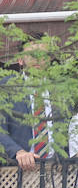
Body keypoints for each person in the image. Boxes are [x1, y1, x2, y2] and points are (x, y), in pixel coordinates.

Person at [0, 41, 54, 170]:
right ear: (20, 60)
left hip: (57, 170)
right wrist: (18, 152)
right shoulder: (6, 87)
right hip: (17, 169)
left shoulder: (62, 90)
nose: (37, 59)